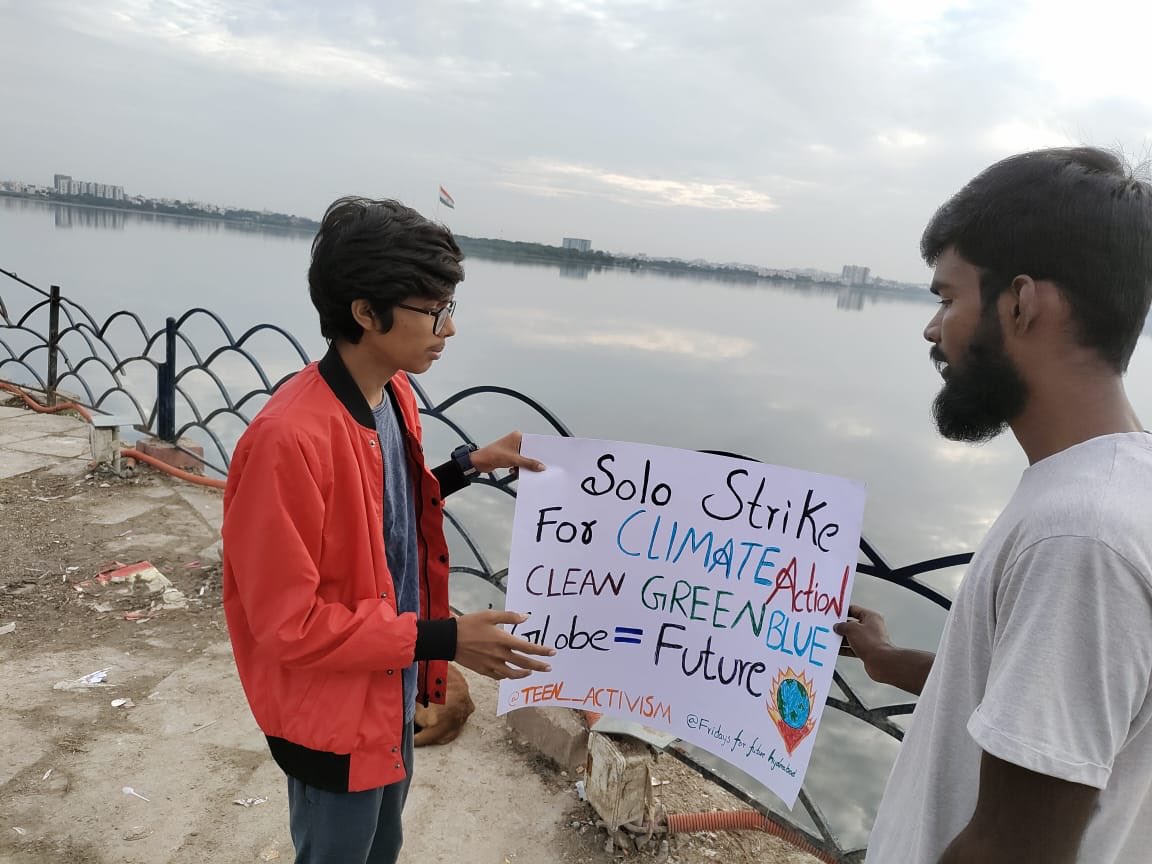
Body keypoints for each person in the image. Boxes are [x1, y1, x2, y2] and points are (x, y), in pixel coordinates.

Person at [835, 147, 1152, 863]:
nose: (931, 329)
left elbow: (1013, 848)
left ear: (1021, 301)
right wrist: (889, 662)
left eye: (947, 298)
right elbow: (1041, 703)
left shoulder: (1080, 536)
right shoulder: (1113, 488)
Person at [221, 196, 556, 864]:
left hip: (390, 685)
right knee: (339, 850)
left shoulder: (394, 395)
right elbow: (287, 624)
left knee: (384, 843)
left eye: (450, 307)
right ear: (367, 314)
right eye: (434, 310)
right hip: (329, 716)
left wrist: (468, 465)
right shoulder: (288, 440)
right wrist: (446, 638)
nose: (449, 328)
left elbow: (383, 508)